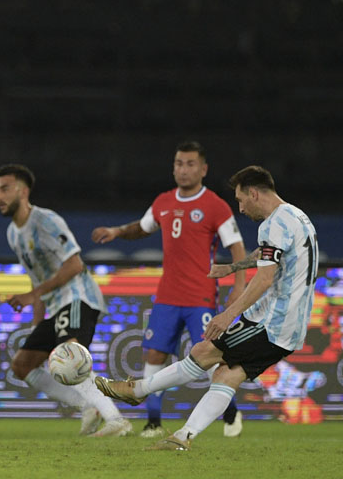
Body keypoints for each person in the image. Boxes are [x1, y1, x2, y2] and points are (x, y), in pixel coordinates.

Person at [95, 165, 318, 450]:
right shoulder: (297, 216)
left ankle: (136, 390)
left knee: (203, 351)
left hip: (271, 322)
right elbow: (269, 255)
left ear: (254, 193)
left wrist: (227, 315)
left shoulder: (272, 223)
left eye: (240, 200)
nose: (240, 207)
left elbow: (265, 278)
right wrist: (233, 267)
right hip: (291, 328)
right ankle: (182, 438)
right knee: (228, 374)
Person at [91, 141, 247, 438]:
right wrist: (117, 231)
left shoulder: (215, 205)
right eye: (178, 163)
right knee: (154, 356)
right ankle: (153, 422)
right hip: (166, 297)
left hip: (200, 296)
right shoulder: (163, 201)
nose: (183, 169)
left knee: (208, 358)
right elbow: (143, 227)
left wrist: (238, 287)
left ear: (203, 169)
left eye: (190, 164)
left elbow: (237, 248)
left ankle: (231, 414)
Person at [0, 164, 133, 437]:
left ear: (23, 191)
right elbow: (36, 279)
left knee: (71, 356)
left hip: (78, 297)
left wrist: (32, 296)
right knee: (22, 365)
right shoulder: (13, 233)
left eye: (5, 189)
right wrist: (38, 320)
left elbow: (74, 265)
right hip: (55, 305)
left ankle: (115, 420)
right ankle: (88, 405)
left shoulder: (46, 221)